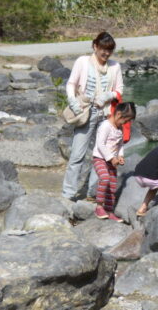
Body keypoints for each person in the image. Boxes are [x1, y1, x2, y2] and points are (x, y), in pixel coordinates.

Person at [61, 31, 125, 200]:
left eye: (109, 50)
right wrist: (73, 102)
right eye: (103, 49)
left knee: (101, 155)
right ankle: (68, 194)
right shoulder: (82, 62)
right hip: (85, 111)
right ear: (95, 46)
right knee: (77, 155)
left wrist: (108, 96)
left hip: (105, 115)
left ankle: (94, 193)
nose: (106, 53)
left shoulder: (115, 66)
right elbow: (71, 84)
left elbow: (119, 90)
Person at [92, 101, 135, 222]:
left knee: (112, 185)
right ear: (118, 114)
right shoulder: (105, 126)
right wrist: (111, 158)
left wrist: (120, 155)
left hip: (112, 161)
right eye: (125, 120)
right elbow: (100, 144)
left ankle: (109, 211)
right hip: (100, 158)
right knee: (105, 178)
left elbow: (120, 144)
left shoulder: (119, 128)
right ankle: (99, 206)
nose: (126, 123)